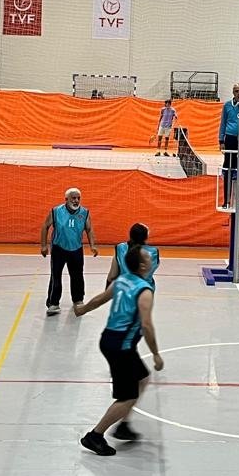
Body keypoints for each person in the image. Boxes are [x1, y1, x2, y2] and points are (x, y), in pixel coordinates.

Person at [75, 244, 162, 455]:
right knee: (128, 396)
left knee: (142, 379)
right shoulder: (144, 291)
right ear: (143, 265)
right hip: (121, 347)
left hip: (109, 339)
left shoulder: (121, 280)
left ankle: (123, 425)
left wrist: (83, 309)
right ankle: (95, 435)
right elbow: (146, 325)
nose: (151, 259)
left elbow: (100, 299)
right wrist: (156, 354)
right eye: (147, 257)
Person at [40, 186, 97, 315]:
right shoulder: (56, 211)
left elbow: (89, 229)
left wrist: (92, 245)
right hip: (58, 248)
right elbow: (45, 226)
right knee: (56, 276)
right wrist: (44, 246)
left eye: (78, 198)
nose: (76, 201)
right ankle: (53, 303)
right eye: (73, 198)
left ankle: (78, 300)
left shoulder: (84, 212)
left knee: (77, 276)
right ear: (66, 199)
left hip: (76, 249)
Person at [107, 222, 159, 289]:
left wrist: (107, 290)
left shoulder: (120, 248)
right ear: (146, 237)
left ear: (130, 235)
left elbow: (112, 275)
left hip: (124, 288)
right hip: (145, 289)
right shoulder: (154, 252)